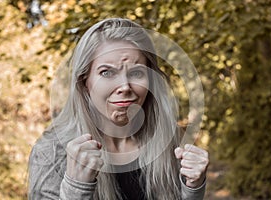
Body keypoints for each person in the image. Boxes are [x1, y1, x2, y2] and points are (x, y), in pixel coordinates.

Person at [28, 18, 209, 200]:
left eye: (137, 73)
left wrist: (193, 189)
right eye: (107, 72)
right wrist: (76, 188)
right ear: (84, 82)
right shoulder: (51, 153)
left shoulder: (170, 142)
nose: (125, 86)